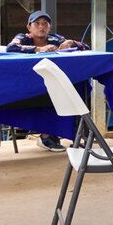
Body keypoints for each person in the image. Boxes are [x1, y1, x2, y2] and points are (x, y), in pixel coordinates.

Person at [7, 10, 89, 151]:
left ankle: (73, 136)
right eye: (37, 23)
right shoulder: (22, 38)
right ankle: (47, 136)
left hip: (51, 83)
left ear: (50, 27)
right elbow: (11, 48)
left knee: (78, 88)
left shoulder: (56, 39)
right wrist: (39, 49)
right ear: (29, 27)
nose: (41, 27)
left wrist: (71, 42)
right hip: (27, 85)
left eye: (45, 23)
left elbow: (85, 47)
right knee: (49, 95)